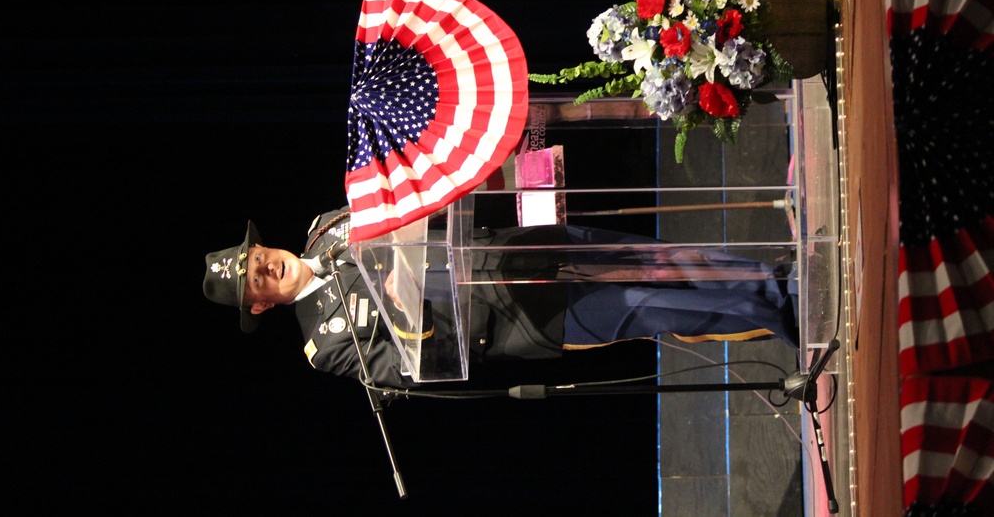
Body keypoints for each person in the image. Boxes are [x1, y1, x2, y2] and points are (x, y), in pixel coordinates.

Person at [203, 206, 799, 389]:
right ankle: (778, 313)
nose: (269, 267)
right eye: (259, 279)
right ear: (261, 304)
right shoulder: (324, 342)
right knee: (655, 307)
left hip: (516, 250)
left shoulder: (329, 224)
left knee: (660, 260)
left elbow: (417, 200)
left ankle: (767, 280)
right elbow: (411, 372)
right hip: (517, 317)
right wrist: (408, 306)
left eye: (259, 259)